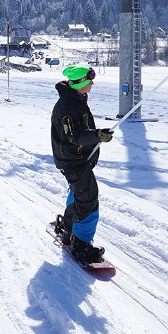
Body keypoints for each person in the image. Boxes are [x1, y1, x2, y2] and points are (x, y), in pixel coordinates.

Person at [50, 64, 114, 263]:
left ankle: (69, 229)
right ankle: (81, 245)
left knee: (78, 194)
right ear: (80, 83)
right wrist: (97, 136)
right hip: (72, 161)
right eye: (90, 81)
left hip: (78, 159)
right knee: (88, 199)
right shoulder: (68, 107)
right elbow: (74, 136)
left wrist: (96, 137)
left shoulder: (76, 99)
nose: (93, 84)